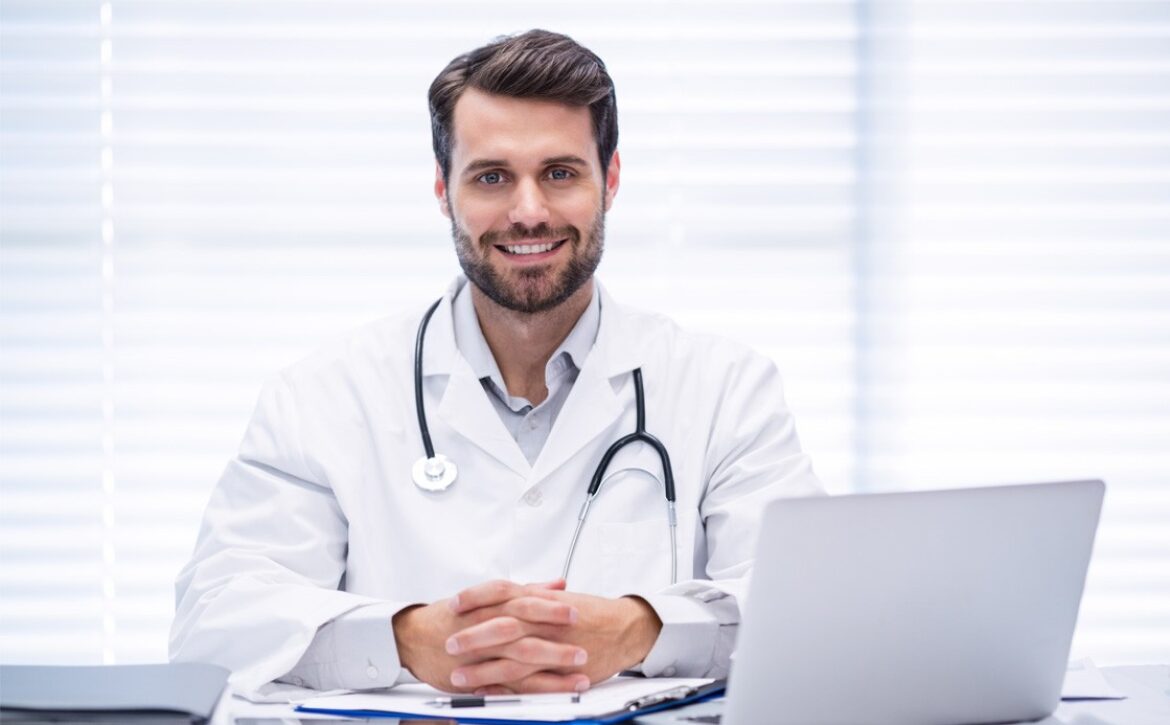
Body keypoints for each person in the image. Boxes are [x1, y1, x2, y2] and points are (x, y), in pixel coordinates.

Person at [170, 29, 823, 698]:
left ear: (613, 178)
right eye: (492, 177)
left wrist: (644, 628)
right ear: (442, 189)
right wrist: (405, 639)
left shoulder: (728, 390)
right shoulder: (321, 397)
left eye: (560, 173)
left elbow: (814, 615)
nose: (529, 211)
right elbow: (215, 615)